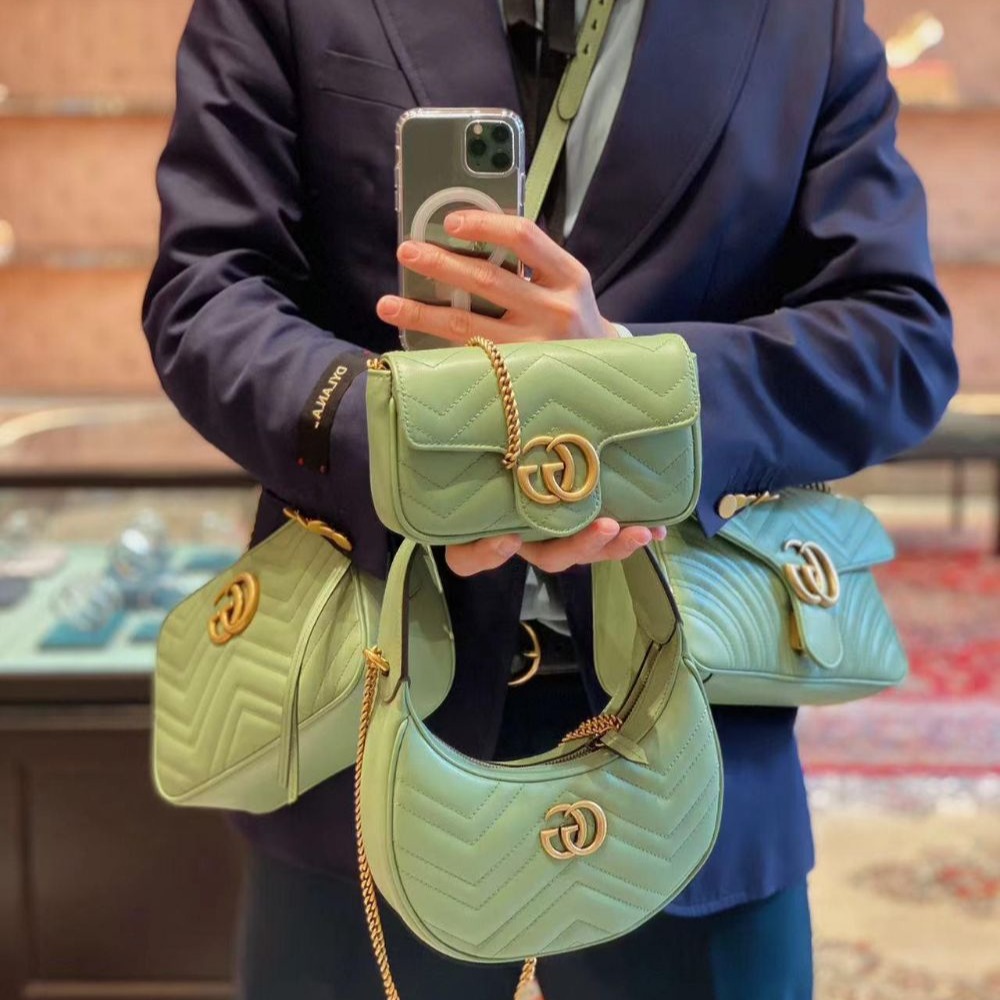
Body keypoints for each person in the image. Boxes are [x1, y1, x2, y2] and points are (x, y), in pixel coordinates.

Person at [141, 0, 958, 996]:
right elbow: (208, 292)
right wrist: (408, 449)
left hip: (695, 736)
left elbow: (897, 340)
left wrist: (631, 389)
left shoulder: (801, 16)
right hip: (355, 722)